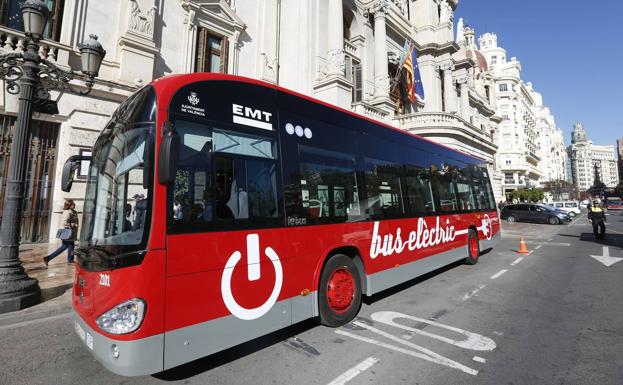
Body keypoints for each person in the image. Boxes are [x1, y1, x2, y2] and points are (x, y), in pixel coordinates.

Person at [43, 199, 79, 266]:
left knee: (64, 247)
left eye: (74, 203)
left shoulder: (73, 212)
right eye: (72, 204)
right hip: (68, 233)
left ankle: (48, 258)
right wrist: (74, 225)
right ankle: (70, 260)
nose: (74, 205)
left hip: (71, 233)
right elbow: (64, 223)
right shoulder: (68, 212)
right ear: (69, 205)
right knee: (71, 246)